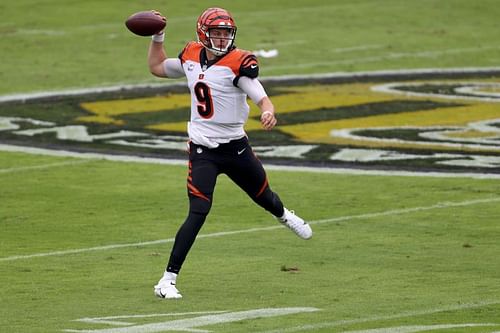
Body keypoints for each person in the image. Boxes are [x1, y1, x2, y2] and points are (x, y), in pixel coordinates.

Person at [147, 7, 312, 299]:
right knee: (198, 211)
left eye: (226, 33)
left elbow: (259, 93)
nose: (222, 38)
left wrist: (268, 110)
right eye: (217, 33)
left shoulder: (238, 62)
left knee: (265, 197)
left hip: (236, 147)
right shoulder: (190, 56)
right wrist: (157, 36)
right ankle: (167, 280)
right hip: (203, 151)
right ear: (203, 33)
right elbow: (158, 67)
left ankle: (285, 215)